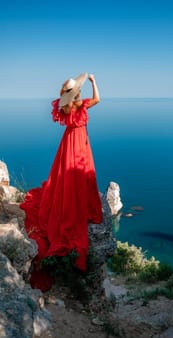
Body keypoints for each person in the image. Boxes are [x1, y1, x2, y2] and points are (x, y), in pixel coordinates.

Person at [20, 73, 103, 292]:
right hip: (80, 142)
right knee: (80, 172)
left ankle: (70, 195)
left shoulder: (66, 106)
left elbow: (62, 102)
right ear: (75, 92)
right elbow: (98, 99)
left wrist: (66, 93)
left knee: (66, 174)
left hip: (70, 141)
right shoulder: (80, 104)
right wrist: (94, 82)